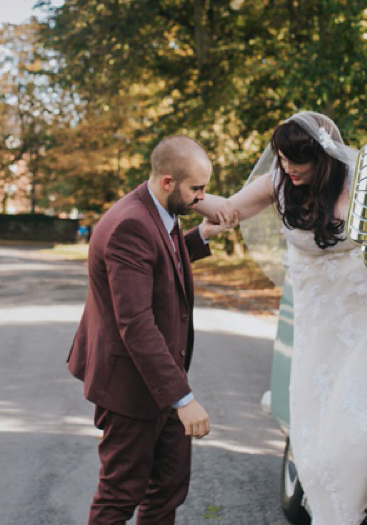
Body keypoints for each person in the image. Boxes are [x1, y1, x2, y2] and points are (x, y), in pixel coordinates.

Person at [196, 112, 367, 525]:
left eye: (296, 161)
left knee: (357, 425)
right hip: (318, 323)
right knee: (317, 426)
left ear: (322, 156)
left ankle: (354, 506)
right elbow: (230, 210)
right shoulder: (279, 183)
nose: (288, 169)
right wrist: (192, 214)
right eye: (282, 160)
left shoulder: (362, 177)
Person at [68, 135, 239, 525]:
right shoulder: (131, 223)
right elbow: (136, 323)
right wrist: (183, 399)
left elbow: (160, 260)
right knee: (120, 495)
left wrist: (203, 236)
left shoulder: (156, 210)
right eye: (197, 189)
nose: (202, 198)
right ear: (168, 182)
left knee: (167, 489)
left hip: (159, 382)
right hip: (129, 385)